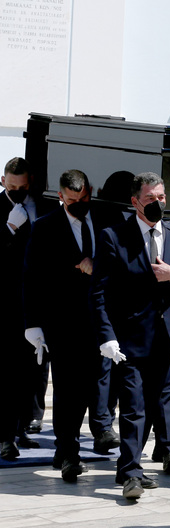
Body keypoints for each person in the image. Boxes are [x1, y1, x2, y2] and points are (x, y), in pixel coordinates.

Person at [91, 172, 170, 499]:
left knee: (161, 401)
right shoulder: (114, 237)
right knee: (133, 407)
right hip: (131, 340)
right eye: (151, 198)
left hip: (167, 339)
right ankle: (131, 474)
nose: (158, 203)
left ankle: (146, 459)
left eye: (162, 197)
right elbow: (99, 293)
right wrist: (107, 336)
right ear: (135, 201)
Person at [22, 170, 123, 481]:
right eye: (71, 200)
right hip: (63, 322)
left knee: (96, 386)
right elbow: (33, 278)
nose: (78, 204)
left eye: (83, 199)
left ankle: (73, 443)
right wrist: (33, 324)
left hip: (100, 321)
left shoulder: (108, 220)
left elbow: (120, 260)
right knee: (68, 390)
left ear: (89, 193)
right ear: (61, 196)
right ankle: (69, 453)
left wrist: (95, 263)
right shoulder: (45, 227)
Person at [1, 157, 57, 460]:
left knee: (30, 373)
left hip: (34, 304)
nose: (18, 192)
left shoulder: (42, 207)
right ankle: (4, 436)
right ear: (3, 182)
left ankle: (22, 427)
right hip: (6, 307)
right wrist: (9, 227)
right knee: (7, 375)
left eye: (23, 187)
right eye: (13, 187)